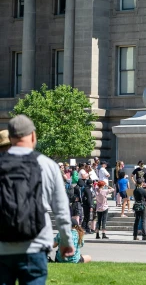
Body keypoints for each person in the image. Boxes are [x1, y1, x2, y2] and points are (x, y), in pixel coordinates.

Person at [0, 115, 75, 283]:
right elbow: (61, 210)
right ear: (33, 135)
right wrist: (66, 241)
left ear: (10, 137)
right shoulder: (48, 165)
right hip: (35, 245)